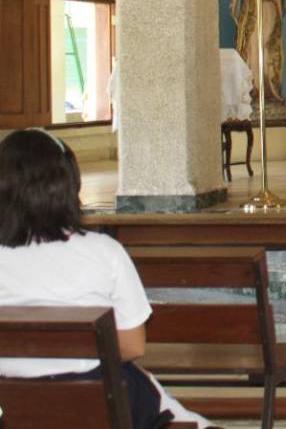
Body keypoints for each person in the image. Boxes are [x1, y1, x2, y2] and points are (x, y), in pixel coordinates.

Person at [0, 129, 214, 429]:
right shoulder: (103, 252)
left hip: (10, 403)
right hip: (95, 398)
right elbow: (132, 346)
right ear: (70, 185)